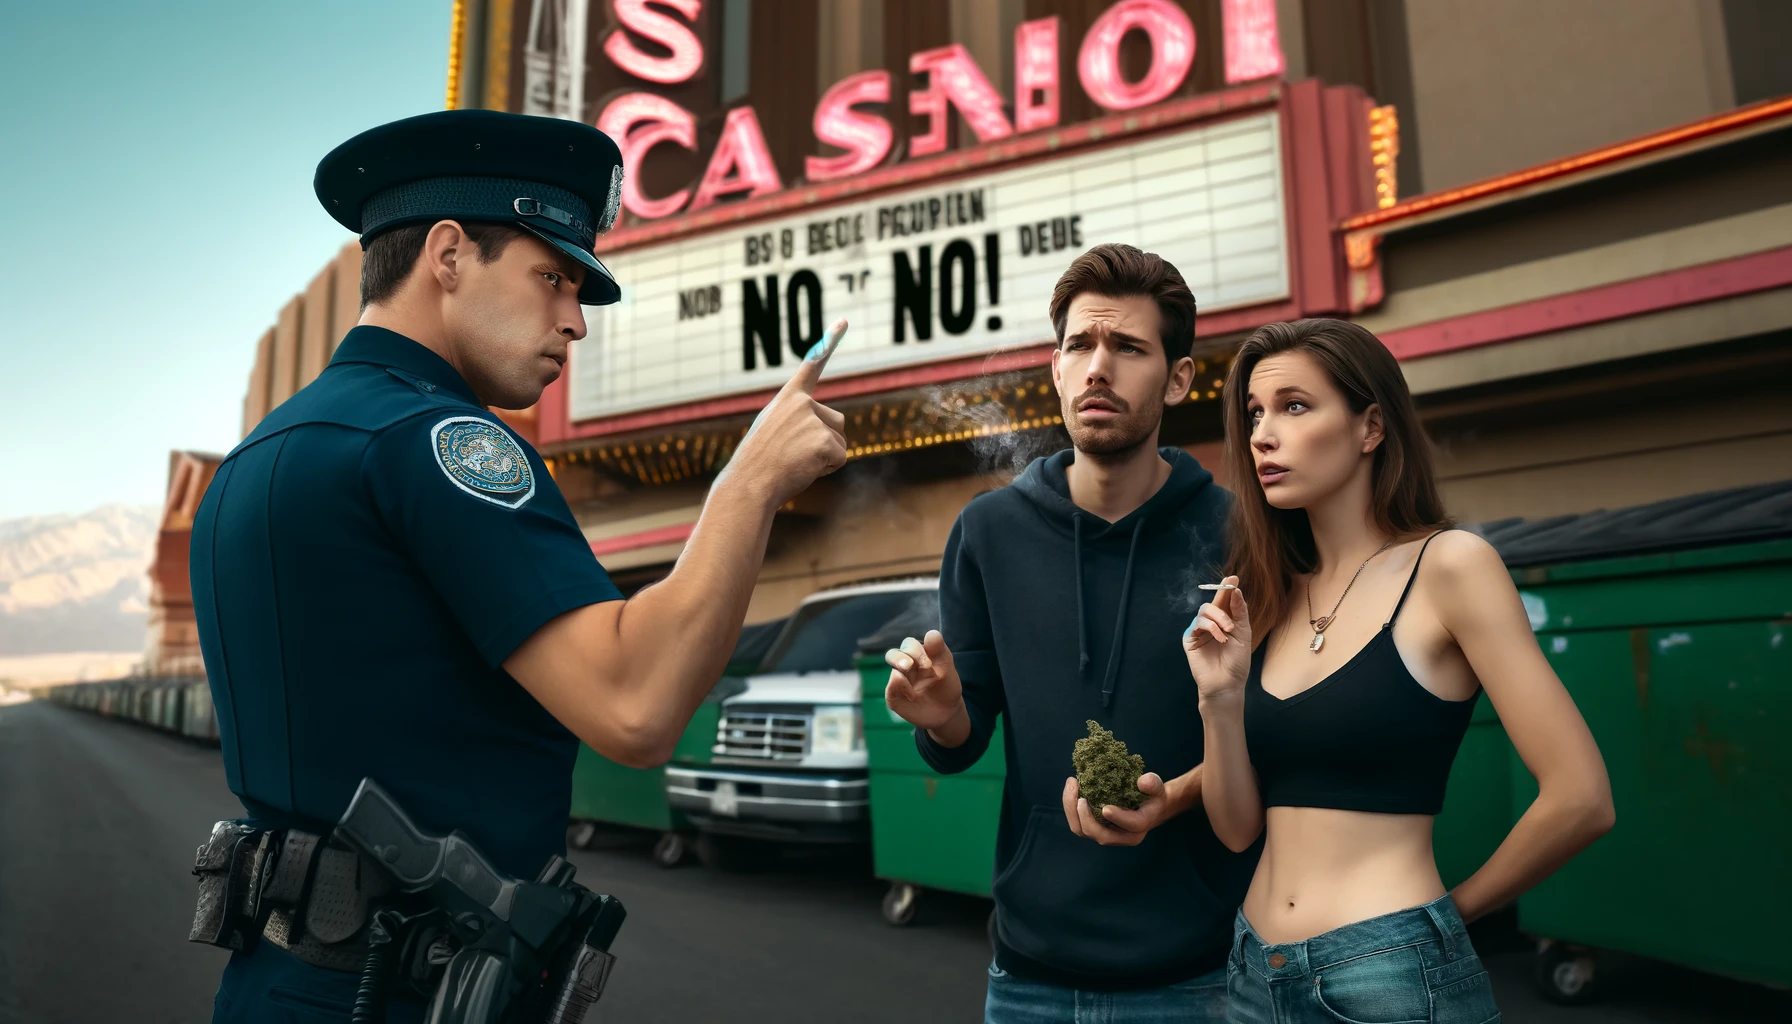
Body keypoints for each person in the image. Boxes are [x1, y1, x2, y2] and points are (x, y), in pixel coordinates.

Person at [189, 110, 848, 1022]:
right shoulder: (436, 443)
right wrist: (750, 482)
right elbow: (635, 703)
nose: (575, 321)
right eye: (552, 278)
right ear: (449, 255)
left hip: (275, 980)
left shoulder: (257, 457)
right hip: (398, 989)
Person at [1182, 318, 1616, 1023]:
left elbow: (1582, 797)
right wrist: (1220, 699)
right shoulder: (1271, 596)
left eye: (1295, 406)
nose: (1263, 434)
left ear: (1370, 427)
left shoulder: (1449, 567)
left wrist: (1438, 924)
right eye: (1255, 414)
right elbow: (1236, 830)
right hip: (1254, 972)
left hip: (1389, 975)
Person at [883, 243, 1255, 1023]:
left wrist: (1176, 799)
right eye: (1079, 345)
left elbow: (1272, 739)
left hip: (1203, 974)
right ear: (1055, 368)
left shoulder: (1236, 531)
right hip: (1029, 980)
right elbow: (964, 736)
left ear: (1178, 378)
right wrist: (943, 712)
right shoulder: (989, 532)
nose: (1097, 368)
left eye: (1127, 347)